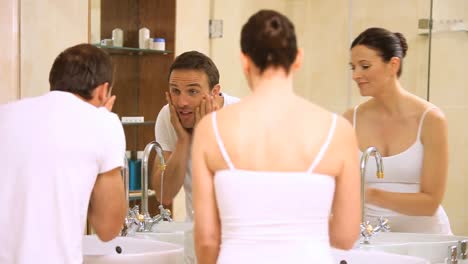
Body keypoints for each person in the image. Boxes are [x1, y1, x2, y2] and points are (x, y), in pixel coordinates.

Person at [192, 10, 361, 264]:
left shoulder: (211, 129)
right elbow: (345, 236)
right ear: (298, 59)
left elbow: (207, 240)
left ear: (244, 61)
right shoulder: (338, 130)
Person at [0, 44, 127, 263]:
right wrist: (103, 124)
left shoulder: (6, 114)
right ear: (103, 90)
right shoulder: (104, 123)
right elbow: (108, 227)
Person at [343, 27, 452, 234]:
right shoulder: (350, 120)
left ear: (393, 64)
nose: (356, 75)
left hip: (424, 242)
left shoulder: (430, 119)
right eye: (353, 67)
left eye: (365, 66)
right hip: (370, 241)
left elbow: (430, 203)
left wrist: (372, 195)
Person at [152, 51, 240, 220]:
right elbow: (164, 193)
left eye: (192, 91)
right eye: (175, 91)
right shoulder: (168, 116)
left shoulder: (240, 117)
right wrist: (183, 141)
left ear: (215, 92)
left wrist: (205, 136)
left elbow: (237, 195)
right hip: (196, 231)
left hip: (239, 234)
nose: (181, 102)